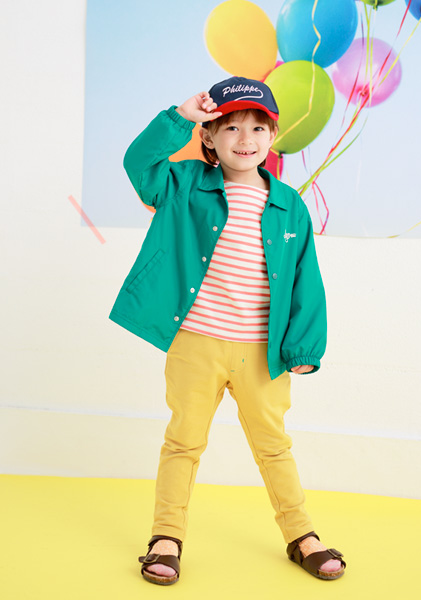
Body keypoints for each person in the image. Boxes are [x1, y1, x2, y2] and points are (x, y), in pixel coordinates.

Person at [109, 76, 346, 585]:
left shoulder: (288, 204)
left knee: (274, 446)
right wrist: (180, 116)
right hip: (195, 343)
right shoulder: (183, 184)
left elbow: (306, 278)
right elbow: (138, 163)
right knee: (184, 441)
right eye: (231, 126)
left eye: (258, 127)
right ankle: (166, 536)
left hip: (262, 353)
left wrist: (303, 346)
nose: (245, 138)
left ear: (272, 137)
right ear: (210, 136)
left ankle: (301, 535)